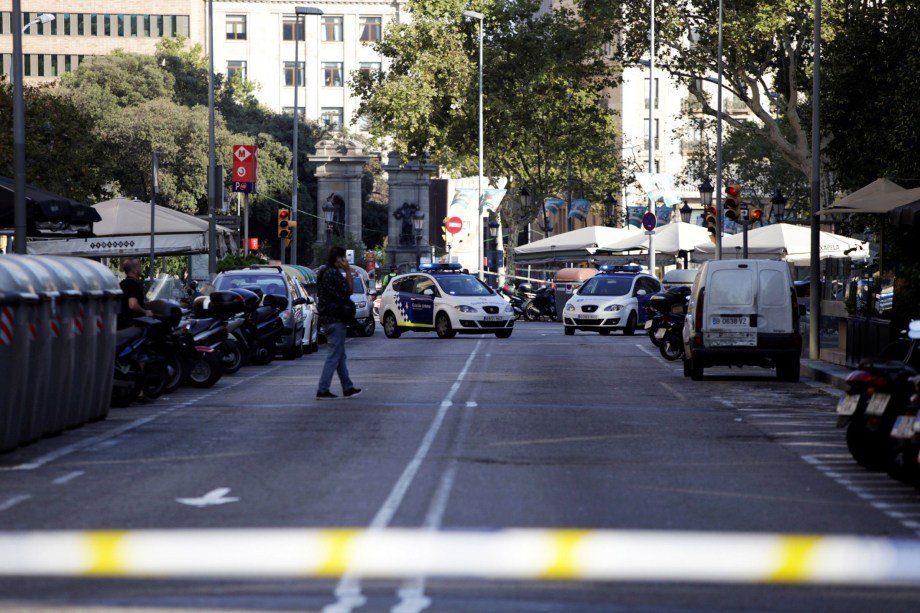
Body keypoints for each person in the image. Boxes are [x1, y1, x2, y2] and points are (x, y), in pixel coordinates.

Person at [316, 246, 362, 400]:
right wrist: (348, 270)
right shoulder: (333, 274)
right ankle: (323, 389)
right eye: (343, 258)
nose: (345, 261)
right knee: (334, 355)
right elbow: (349, 290)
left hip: (327, 318)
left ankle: (347, 387)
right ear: (338, 258)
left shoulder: (323, 272)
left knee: (340, 355)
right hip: (335, 319)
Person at [118, 257, 151, 330]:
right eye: (139, 266)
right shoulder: (133, 284)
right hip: (132, 325)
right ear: (135, 269)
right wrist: (145, 312)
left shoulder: (122, 283)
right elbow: (133, 305)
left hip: (121, 324)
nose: (141, 268)